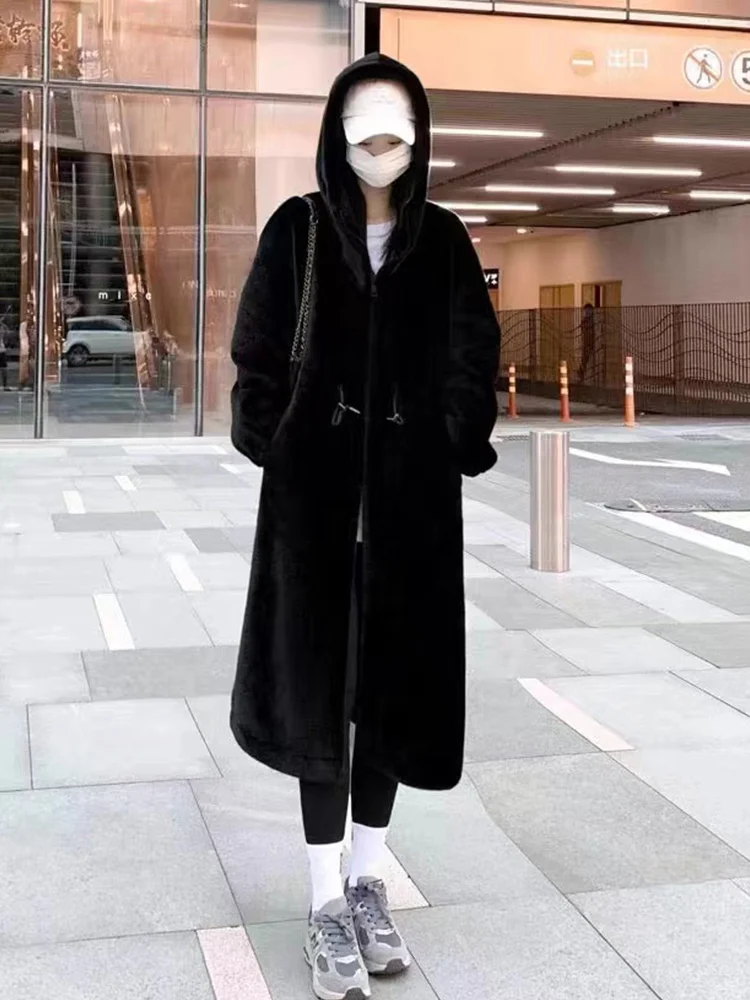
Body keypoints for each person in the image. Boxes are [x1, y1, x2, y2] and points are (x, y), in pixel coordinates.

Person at [230, 53, 500, 1000]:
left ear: (417, 139)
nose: (380, 150)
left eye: (395, 134)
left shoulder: (445, 240)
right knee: (318, 704)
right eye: (365, 134)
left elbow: (474, 354)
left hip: (409, 517)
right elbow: (257, 347)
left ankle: (367, 881)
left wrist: (453, 434)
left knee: (387, 702)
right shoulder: (298, 230)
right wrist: (279, 439)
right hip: (313, 515)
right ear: (337, 138)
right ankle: (321, 901)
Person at [577, 302, 596, 384]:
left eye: (588, 310)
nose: (587, 312)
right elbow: (583, 329)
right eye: (586, 311)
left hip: (593, 342)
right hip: (586, 343)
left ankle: (585, 375)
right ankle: (581, 375)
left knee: (591, 360)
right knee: (585, 359)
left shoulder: (594, 320)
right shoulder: (584, 320)